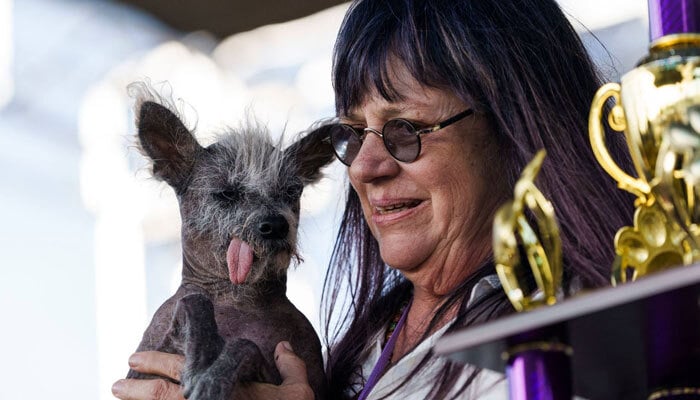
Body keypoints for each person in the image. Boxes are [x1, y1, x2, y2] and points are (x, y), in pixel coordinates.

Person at [112, 0, 635, 399]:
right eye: (354, 134)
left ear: (514, 125)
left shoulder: (590, 336)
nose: (364, 167)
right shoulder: (361, 348)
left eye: (405, 129)